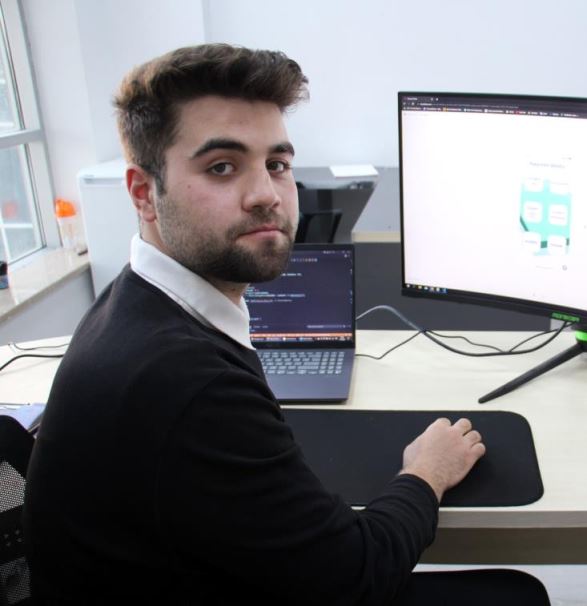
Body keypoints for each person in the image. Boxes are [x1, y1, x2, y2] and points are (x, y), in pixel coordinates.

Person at [24, 44, 549, 605]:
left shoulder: (131, 299)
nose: (266, 196)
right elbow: (355, 578)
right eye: (221, 167)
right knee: (516, 595)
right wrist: (426, 473)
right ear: (143, 193)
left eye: (276, 164)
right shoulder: (189, 383)